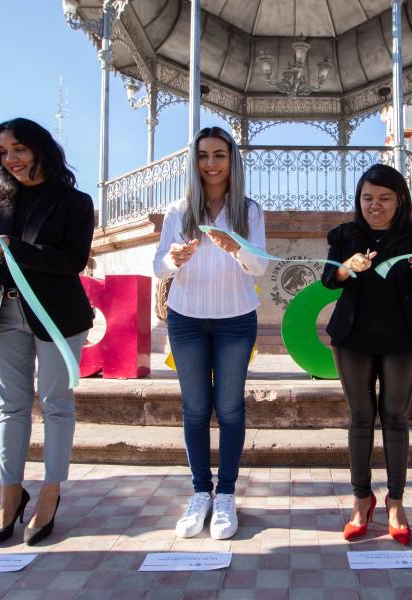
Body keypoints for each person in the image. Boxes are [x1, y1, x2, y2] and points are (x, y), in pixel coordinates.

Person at [0, 117, 94, 547]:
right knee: (11, 408)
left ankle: (50, 494)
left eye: (19, 149)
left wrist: (12, 248)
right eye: (3, 152)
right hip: (3, 315)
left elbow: (71, 261)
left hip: (56, 315)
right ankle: (9, 496)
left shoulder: (75, 201)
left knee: (56, 404)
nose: (11, 159)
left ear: (39, 149)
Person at [153, 126, 268, 540]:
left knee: (231, 408)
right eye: (203, 156)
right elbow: (158, 267)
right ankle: (201, 491)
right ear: (194, 162)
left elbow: (259, 267)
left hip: (236, 319)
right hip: (187, 318)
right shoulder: (178, 211)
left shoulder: (249, 211)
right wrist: (174, 258)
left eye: (220, 155)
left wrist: (234, 247)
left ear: (232, 161)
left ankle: (226, 495)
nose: (211, 164)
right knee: (196, 409)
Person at [322, 164, 412, 544]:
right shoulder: (345, 234)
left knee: (395, 416)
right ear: (359, 200)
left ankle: (395, 501)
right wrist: (346, 268)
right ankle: (361, 499)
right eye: (368, 198)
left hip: (404, 338)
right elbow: (328, 281)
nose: (375, 205)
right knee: (360, 416)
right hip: (354, 336)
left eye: (385, 198)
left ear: (400, 200)